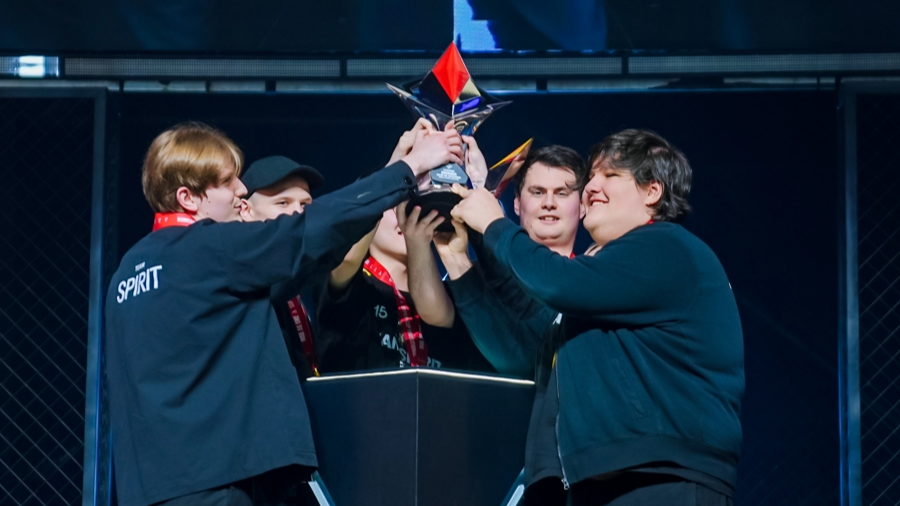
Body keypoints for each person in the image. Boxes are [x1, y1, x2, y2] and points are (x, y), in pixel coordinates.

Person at [105, 121, 461, 506]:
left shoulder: (128, 271)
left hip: (150, 489)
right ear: (187, 197)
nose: (241, 190)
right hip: (215, 483)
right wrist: (409, 168)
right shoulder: (209, 248)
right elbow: (313, 230)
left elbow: (295, 273)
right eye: (226, 182)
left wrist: (391, 170)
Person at [448, 129, 744, 505]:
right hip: (608, 478)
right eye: (591, 177)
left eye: (611, 175)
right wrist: (472, 230)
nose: (591, 187)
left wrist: (494, 224)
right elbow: (528, 328)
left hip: (661, 479)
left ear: (652, 191)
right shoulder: (612, 276)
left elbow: (554, 281)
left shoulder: (666, 247)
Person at [434, 142, 587, 505]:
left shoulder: (590, 285)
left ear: (582, 206)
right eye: (537, 192)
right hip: (475, 465)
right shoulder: (464, 279)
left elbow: (527, 353)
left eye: (562, 193)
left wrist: (483, 214)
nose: (549, 203)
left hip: (561, 475)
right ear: (517, 204)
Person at [315, 120, 493, 373]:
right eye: (392, 206)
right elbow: (347, 258)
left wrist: (477, 187)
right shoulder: (349, 283)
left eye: (410, 203)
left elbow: (436, 315)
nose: (403, 214)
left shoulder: (446, 293)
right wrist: (399, 164)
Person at [238, 155, 326, 378]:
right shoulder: (240, 278)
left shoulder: (296, 273)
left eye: (305, 204)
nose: (298, 212)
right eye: (283, 203)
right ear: (246, 210)